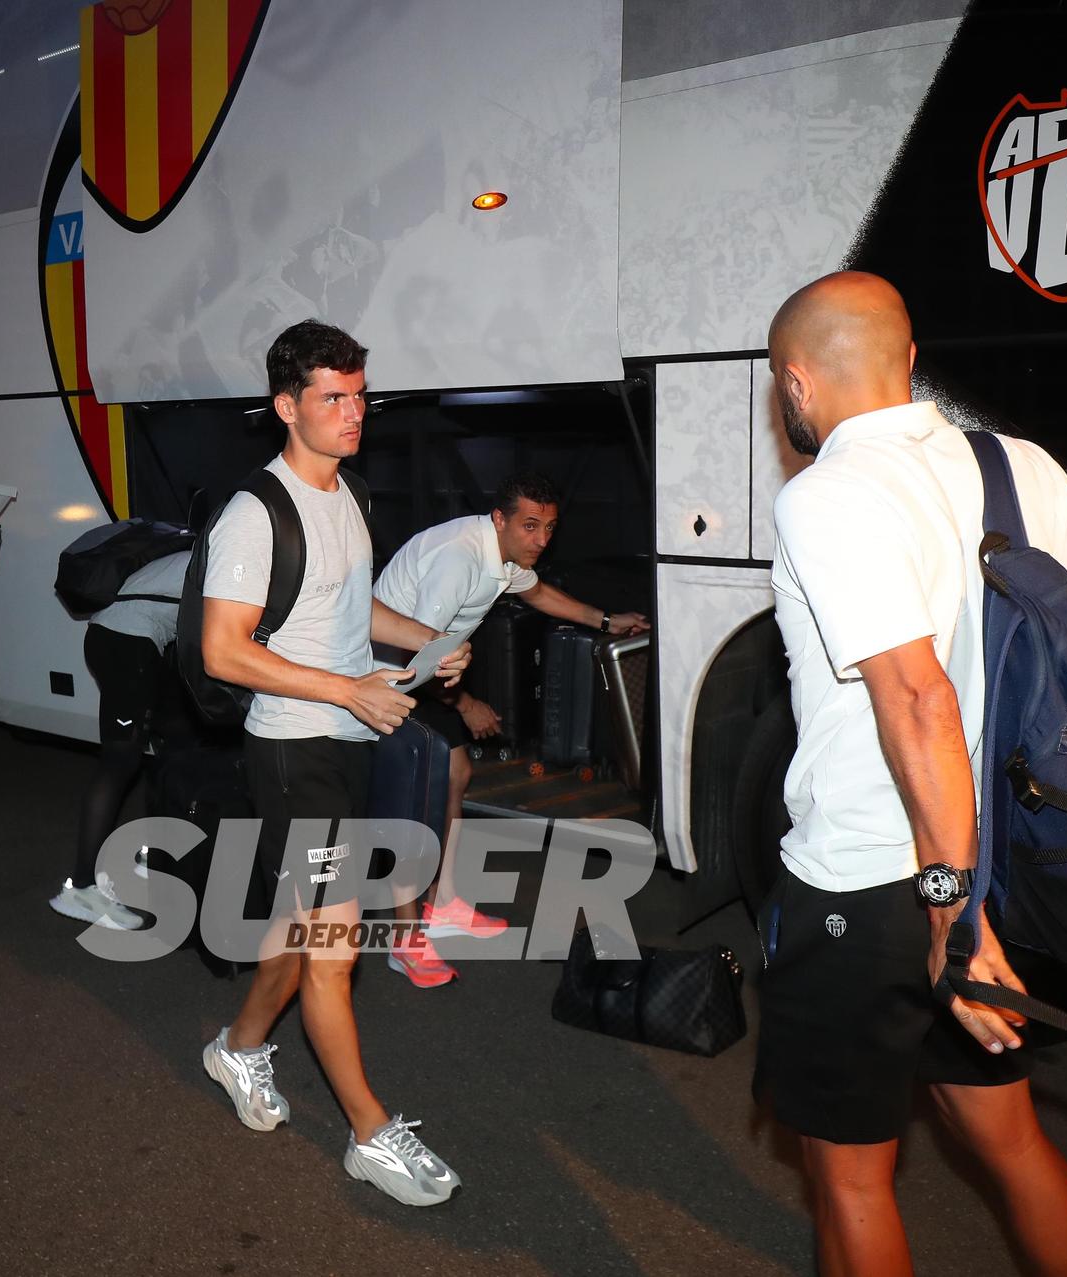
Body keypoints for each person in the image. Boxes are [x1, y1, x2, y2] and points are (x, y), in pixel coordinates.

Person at [759, 271, 1067, 1276]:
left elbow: (916, 698)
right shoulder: (1011, 462)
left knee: (849, 1178)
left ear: (795, 384)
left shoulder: (826, 494)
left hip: (872, 881)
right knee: (1010, 1142)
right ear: (905, 359)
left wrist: (946, 908)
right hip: (989, 860)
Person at [196, 319, 470, 1207]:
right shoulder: (254, 512)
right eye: (333, 398)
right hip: (293, 749)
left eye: (360, 396)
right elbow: (224, 651)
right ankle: (368, 1131)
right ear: (287, 406)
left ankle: (238, 1048)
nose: (354, 414)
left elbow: (352, 617)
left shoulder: (345, 494)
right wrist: (348, 690)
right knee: (333, 949)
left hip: (344, 745)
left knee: (300, 927)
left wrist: (426, 640)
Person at [369, 473, 649, 986]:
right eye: (529, 526)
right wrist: (468, 703)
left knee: (455, 777)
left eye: (549, 528)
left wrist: (607, 621)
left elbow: (541, 595)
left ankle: (445, 902)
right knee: (413, 802)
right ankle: (404, 944)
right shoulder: (459, 558)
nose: (541, 539)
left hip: (425, 680)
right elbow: (419, 654)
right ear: (499, 520)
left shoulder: (507, 558)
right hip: (384, 681)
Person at [49, 548, 193, 929]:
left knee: (179, 742)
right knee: (120, 762)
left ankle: (156, 856)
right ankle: (79, 889)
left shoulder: (212, 548)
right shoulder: (230, 556)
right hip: (126, 642)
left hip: (133, 641)